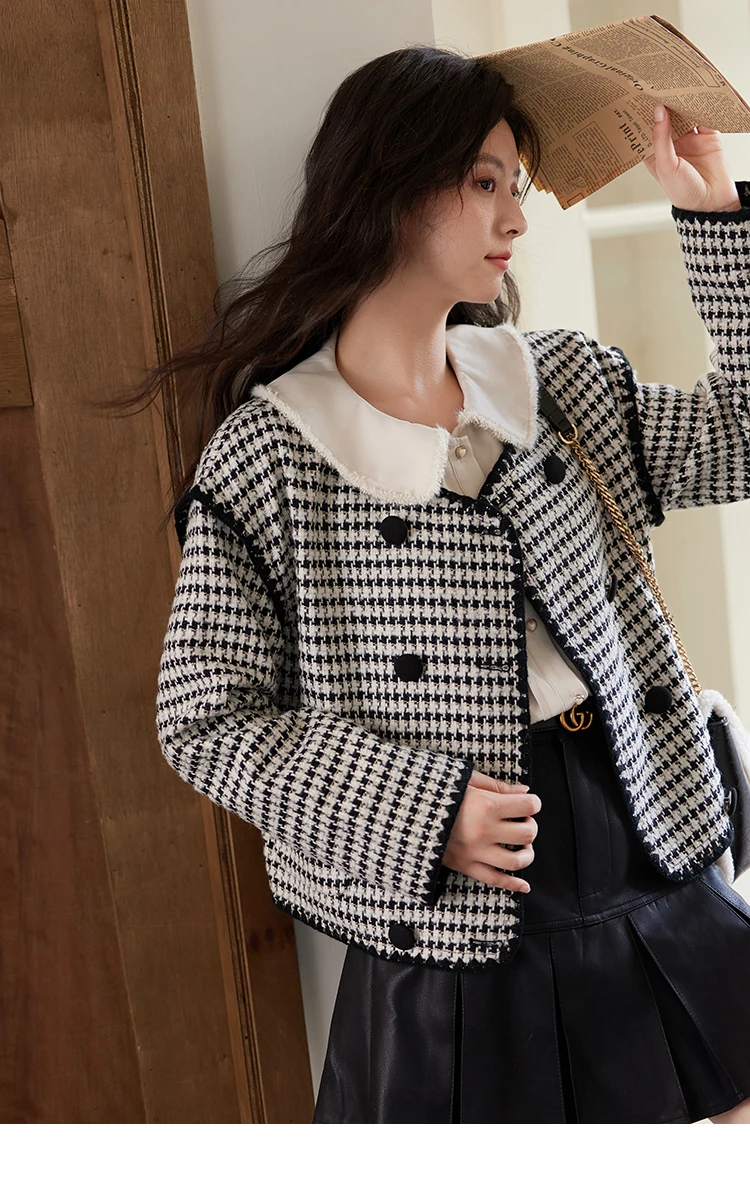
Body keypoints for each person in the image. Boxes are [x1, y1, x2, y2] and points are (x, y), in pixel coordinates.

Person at [122, 45, 750, 1122]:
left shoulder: (556, 383)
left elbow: (739, 435)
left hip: (642, 828)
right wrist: (422, 811)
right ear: (393, 189)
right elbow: (204, 719)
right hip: (456, 900)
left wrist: (715, 216)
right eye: (484, 181)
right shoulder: (272, 452)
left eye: (516, 182)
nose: (517, 216)